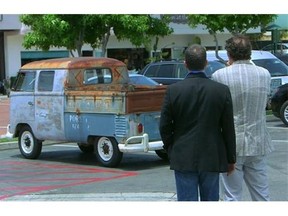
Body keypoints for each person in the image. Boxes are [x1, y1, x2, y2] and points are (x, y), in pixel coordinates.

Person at [159, 44, 236, 201]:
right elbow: (228, 128)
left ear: (185, 64)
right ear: (206, 63)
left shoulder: (173, 90)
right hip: (212, 155)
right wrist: (230, 158)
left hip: (182, 154)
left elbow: (164, 126)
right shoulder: (221, 90)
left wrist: (171, 148)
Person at [212, 34, 274, 201]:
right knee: (261, 195)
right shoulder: (264, 74)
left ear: (229, 54)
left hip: (232, 144)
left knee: (232, 196)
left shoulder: (219, 75)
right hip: (258, 141)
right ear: (250, 52)